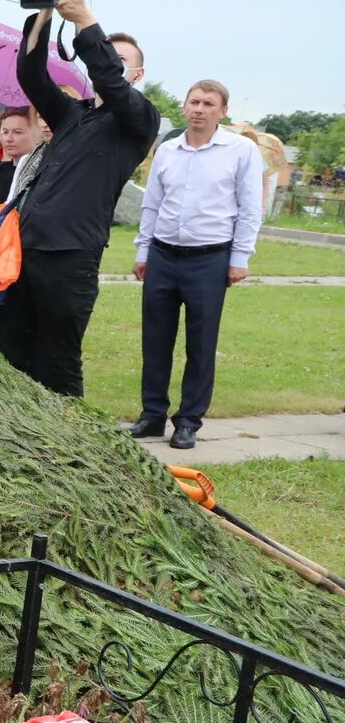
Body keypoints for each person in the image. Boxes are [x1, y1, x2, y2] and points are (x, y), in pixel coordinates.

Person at [0, 0, 158, 397]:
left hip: (70, 257)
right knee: (13, 349)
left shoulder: (138, 120)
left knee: (58, 361)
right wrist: (46, 11)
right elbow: (32, 77)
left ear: (137, 74)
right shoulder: (74, 114)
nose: (109, 62)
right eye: (107, 54)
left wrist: (86, 20)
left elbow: (108, 79)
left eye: (119, 59)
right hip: (25, 249)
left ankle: (66, 449)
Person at [129, 80, 263, 451]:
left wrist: (240, 258)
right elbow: (152, 205)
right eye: (194, 102)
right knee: (155, 340)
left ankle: (188, 421)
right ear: (185, 107)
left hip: (210, 258)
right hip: (163, 255)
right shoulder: (168, 150)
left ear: (222, 111)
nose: (199, 109)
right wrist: (143, 253)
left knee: (200, 344)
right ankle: (152, 414)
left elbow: (250, 209)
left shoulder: (240, 151)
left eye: (208, 103)